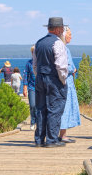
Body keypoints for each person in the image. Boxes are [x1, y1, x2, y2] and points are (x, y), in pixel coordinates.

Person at [33, 17, 68, 148]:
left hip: (40, 78)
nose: (63, 30)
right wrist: (63, 80)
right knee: (55, 108)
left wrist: (39, 76)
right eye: (63, 28)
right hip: (54, 79)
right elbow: (61, 66)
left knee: (41, 108)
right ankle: (52, 139)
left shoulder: (39, 43)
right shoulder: (58, 43)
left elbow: (35, 65)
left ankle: (39, 139)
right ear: (59, 29)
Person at [59, 26, 81, 143]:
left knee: (64, 107)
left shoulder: (63, 48)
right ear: (64, 35)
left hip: (65, 81)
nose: (71, 36)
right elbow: (66, 66)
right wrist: (73, 69)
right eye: (69, 34)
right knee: (65, 107)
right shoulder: (64, 49)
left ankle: (62, 133)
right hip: (66, 82)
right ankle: (62, 134)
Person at [23, 46, 37, 130]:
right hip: (32, 87)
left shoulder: (42, 62)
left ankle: (39, 122)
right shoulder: (29, 63)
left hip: (41, 87)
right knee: (32, 105)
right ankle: (33, 121)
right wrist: (25, 87)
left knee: (40, 106)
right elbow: (25, 76)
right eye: (33, 52)